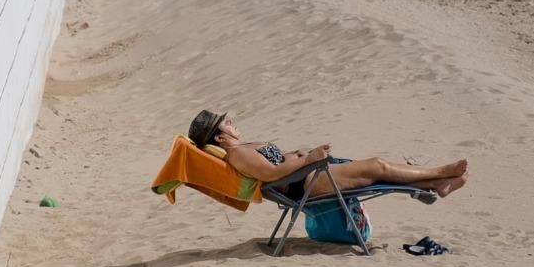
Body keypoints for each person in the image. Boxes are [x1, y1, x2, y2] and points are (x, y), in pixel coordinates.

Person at [187, 109, 468, 201]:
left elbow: (277, 162)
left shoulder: (242, 148)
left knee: (374, 172)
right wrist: (308, 159)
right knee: (377, 166)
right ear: (220, 138)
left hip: (306, 174)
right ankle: (441, 172)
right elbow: (270, 174)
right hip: (306, 183)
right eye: (226, 123)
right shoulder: (238, 155)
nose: (232, 121)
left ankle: (433, 185)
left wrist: (300, 155)